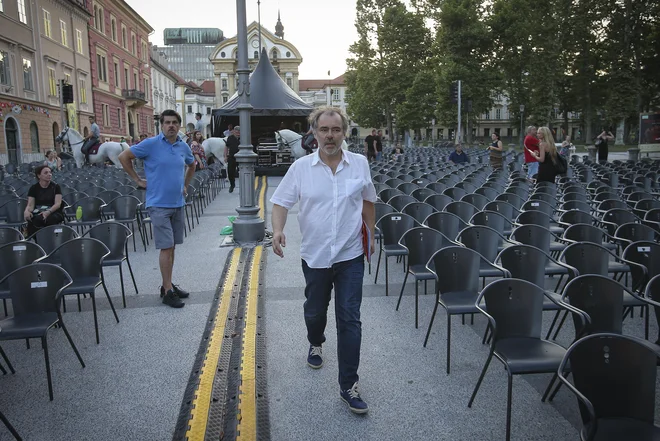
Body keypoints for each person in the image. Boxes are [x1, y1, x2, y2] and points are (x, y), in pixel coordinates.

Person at [270, 106, 377, 415]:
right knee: (315, 312)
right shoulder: (301, 168)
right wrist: (277, 230)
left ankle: (349, 385)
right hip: (315, 257)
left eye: (336, 130)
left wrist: (370, 237)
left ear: (344, 133)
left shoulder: (359, 164)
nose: (330, 136)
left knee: (350, 319)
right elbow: (280, 202)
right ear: (313, 133)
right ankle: (315, 341)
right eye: (324, 130)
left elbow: (368, 202)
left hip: (350, 256)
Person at [118, 109, 196, 308]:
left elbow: (192, 165)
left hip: (177, 203)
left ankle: (167, 284)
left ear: (179, 126)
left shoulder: (182, 146)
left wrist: (185, 186)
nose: (171, 126)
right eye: (167, 122)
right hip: (158, 204)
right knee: (166, 246)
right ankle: (167, 291)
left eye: (174, 123)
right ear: (161, 125)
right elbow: (123, 156)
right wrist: (137, 179)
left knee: (172, 246)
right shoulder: (150, 144)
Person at [24, 165, 64, 236]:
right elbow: (30, 205)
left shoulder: (56, 187)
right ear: (39, 176)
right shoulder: (33, 188)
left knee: (49, 219)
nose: (49, 174)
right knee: (34, 219)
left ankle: (49, 239)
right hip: (39, 211)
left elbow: (58, 204)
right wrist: (27, 211)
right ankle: (38, 240)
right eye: (46, 173)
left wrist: (48, 212)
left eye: (50, 172)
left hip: (53, 211)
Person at [224, 126, 240, 193]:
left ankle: (243, 187)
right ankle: (232, 185)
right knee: (230, 172)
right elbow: (226, 147)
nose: (238, 133)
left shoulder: (243, 138)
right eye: (236, 131)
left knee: (241, 172)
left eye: (239, 132)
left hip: (240, 157)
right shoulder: (230, 138)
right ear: (234, 131)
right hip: (231, 156)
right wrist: (225, 156)